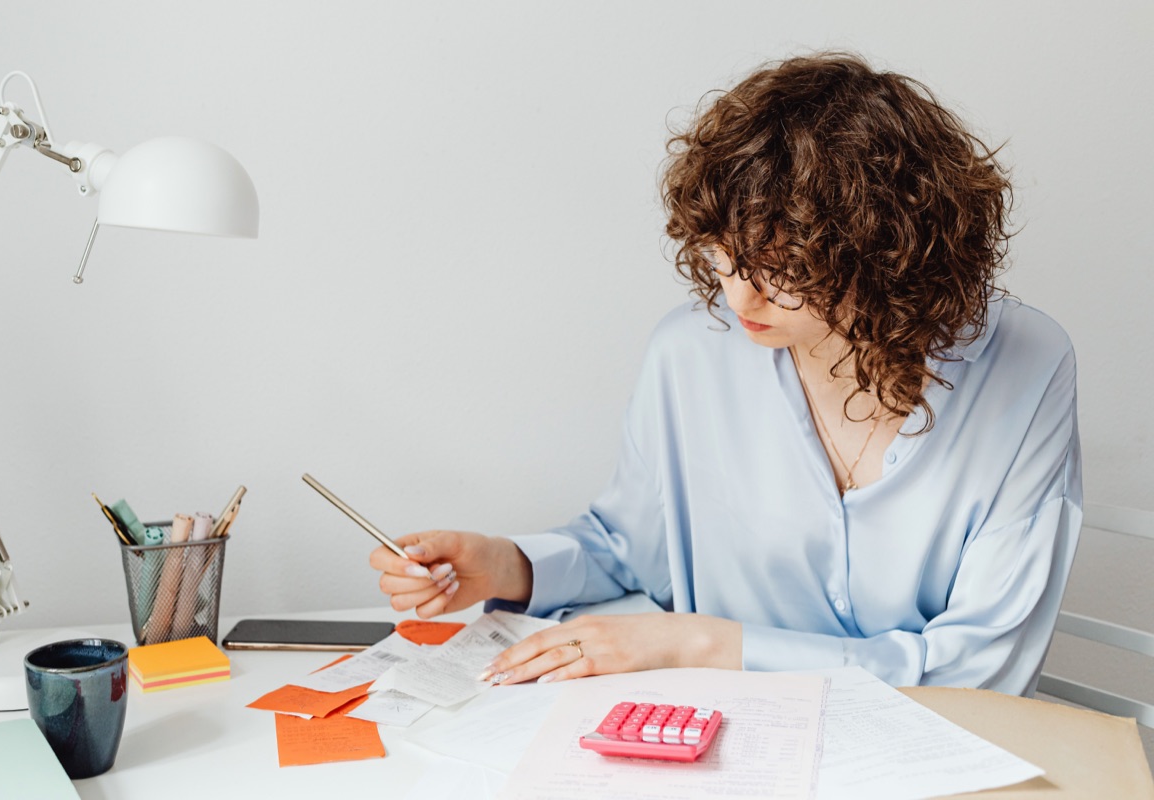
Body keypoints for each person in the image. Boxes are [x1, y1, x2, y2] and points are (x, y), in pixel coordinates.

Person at [370, 52, 1081, 697]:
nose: (743, 298)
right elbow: (632, 549)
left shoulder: (1026, 366)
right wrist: (506, 566)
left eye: (786, 270)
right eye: (724, 256)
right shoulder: (690, 354)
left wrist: (702, 643)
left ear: (888, 253)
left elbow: (981, 669)